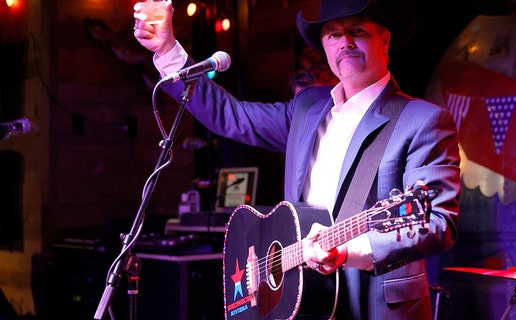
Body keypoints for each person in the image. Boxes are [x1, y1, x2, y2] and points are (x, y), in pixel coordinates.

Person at [133, 0, 461, 319]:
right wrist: (167, 51)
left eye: (357, 30)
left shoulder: (423, 119)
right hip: (300, 298)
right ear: (324, 46)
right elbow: (230, 116)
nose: (345, 42)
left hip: (375, 304)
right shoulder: (306, 109)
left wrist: (347, 252)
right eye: (333, 34)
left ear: (384, 39)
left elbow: (438, 222)